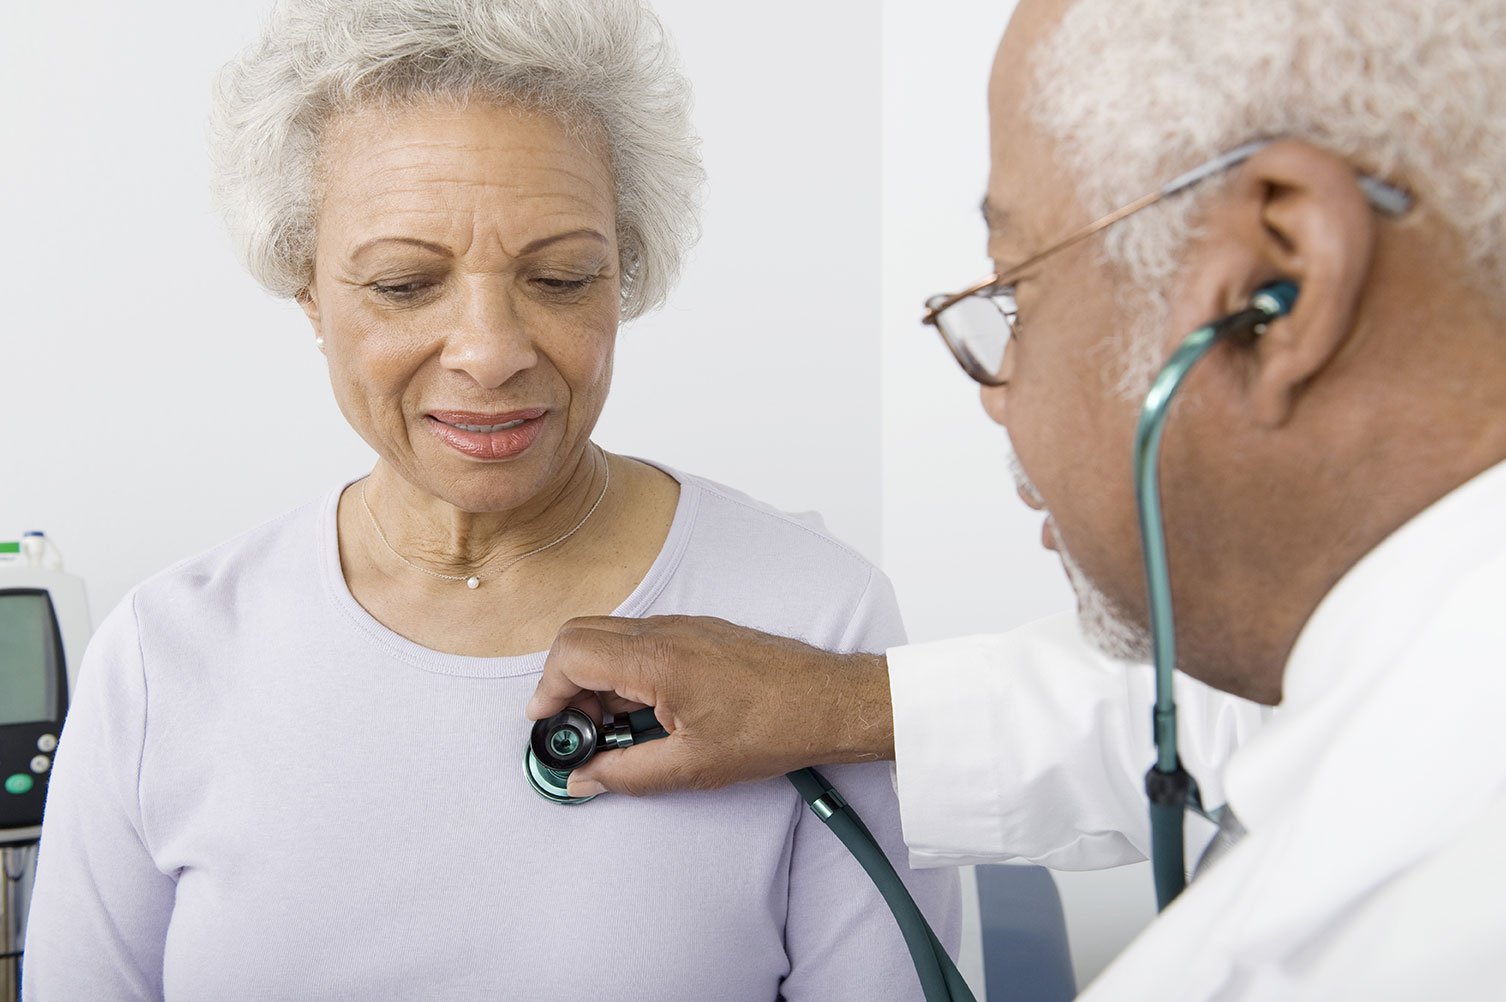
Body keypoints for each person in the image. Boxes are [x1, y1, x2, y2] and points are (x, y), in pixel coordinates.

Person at [528, 0, 1506, 997]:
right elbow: (1208, 722)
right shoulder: (1423, 667)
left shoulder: (1444, 922)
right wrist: (845, 703)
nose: (999, 399)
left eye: (1016, 292)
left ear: (1275, 279)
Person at [21, 1, 957, 998]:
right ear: (307, 289)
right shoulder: (164, 658)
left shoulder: (816, 623)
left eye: (560, 277)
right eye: (403, 284)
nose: (491, 352)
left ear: (623, 270)